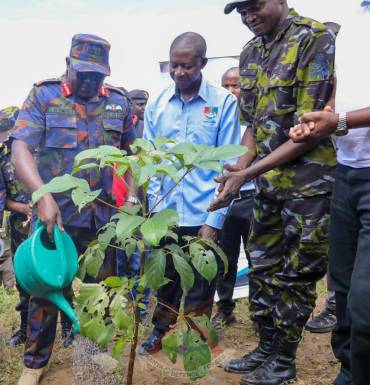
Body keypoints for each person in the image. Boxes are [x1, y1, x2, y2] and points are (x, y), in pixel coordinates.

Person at [209, 2, 336, 384]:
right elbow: (252, 128)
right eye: (241, 10)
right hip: (265, 185)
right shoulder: (250, 52)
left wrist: (249, 170)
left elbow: (311, 128)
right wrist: (239, 175)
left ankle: (284, 359)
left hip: (308, 186)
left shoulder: (313, 38)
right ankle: (266, 346)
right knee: (263, 269)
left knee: (297, 274)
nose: (248, 16)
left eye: (255, 6)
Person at [11, 34, 136, 385]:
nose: (91, 82)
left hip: (104, 220)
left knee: (102, 293)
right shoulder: (44, 96)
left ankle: (95, 357)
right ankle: (34, 363)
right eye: (84, 73)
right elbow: (21, 146)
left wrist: (133, 199)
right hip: (57, 218)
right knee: (46, 291)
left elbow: (132, 154)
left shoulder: (118, 103)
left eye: (98, 75)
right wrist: (42, 195)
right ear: (68, 64)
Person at [138, 32, 240, 355]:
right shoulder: (156, 103)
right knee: (166, 277)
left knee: (201, 280)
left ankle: (196, 337)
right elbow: (151, 160)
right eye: (174, 66)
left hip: (203, 211)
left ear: (202, 64)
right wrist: (153, 211)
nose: (179, 72)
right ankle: (159, 330)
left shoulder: (223, 103)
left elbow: (229, 165)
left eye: (187, 66)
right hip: (166, 213)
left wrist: (214, 219)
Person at [289, 6, 370, 384]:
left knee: (364, 302)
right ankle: (350, 371)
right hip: (347, 171)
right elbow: (341, 87)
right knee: (341, 292)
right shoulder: (354, 21)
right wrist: (321, 120)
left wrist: (338, 121)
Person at [304, 21, 340, 335]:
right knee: (333, 244)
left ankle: (336, 305)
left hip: (349, 171)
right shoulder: (320, 83)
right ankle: (334, 305)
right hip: (327, 174)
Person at [212, 67, 255, 328]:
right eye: (226, 86)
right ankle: (224, 309)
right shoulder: (218, 119)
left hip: (253, 198)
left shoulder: (257, 119)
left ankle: (260, 313)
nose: (231, 91)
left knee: (256, 258)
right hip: (225, 201)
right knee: (223, 259)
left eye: (236, 85)